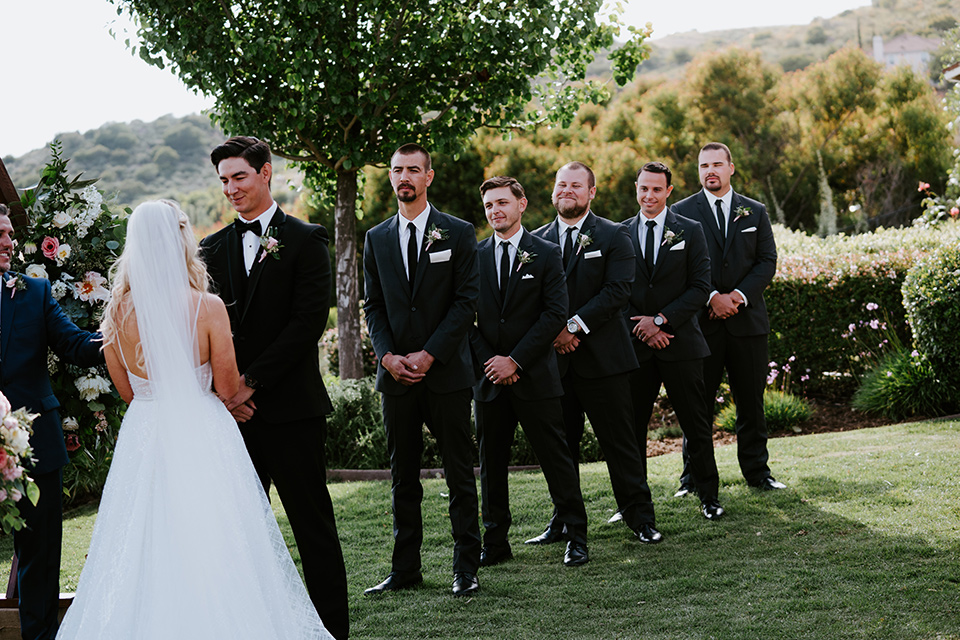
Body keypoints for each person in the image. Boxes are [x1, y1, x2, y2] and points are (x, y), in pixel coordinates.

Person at [56, 201, 333, 639]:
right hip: (204, 435)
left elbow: (128, 392)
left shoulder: (116, 314)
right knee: (216, 539)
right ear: (179, 239)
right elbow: (225, 388)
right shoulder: (206, 307)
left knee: (143, 544)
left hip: (144, 436)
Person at [199, 137, 348, 638]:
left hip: (292, 412)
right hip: (232, 420)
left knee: (313, 530)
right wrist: (226, 392)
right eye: (223, 180)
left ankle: (332, 630)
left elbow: (307, 324)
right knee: (242, 534)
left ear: (266, 173)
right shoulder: (210, 248)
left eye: (239, 176)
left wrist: (250, 382)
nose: (231, 188)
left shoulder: (307, 239)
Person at [362, 143, 482, 597]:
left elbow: (466, 302)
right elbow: (374, 306)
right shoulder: (376, 238)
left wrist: (430, 354)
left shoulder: (458, 231)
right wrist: (387, 356)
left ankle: (466, 568)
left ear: (428, 177)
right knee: (402, 477)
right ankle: (405, 569)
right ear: (390, 177)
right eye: (397, 170)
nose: (404, 177)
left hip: (446, 372)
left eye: (413, 169)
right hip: (395, 377)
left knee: (458, 473)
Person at [528, 162, 662, 545]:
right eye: (561, 184)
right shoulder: (536, 241)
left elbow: (618, 291)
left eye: (575, 185)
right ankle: (563, 521)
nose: (567, 190)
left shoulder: (615, 235)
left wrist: (572, 327)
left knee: (620, 444)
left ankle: (640, 518)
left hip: (604, 360)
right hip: (555, 364)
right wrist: (555, 332)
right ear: (553, 192)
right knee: (560, 450)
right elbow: (531, 301)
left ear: (591, 193)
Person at [470, 176, 589, 568]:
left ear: (521, 205)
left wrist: (515, 361)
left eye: (502, 202)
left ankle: (575, 535)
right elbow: (465, 319)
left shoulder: (547, 252)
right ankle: (495, 541)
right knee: (491, 465)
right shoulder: (475, 255)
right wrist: (493, 363)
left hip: (534, 375)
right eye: (489, 206)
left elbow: (555, 313)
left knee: (556, 459)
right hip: (490, 380)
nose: (495, 211)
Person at [0, 204, 103, 640]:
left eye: (7, 233)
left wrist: (125, 333)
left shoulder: (33, 291)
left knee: (40, 555)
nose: (8, 242)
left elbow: (75, 344)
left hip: (35, 442)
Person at [671, 142, 783, 493]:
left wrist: (736, 297)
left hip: (747, 322)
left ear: (731, 168)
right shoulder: (680, 213)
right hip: (700, 327)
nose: (711, 171)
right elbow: (677, 268)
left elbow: (767, 261)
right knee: (696, 408)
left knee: (751, 403)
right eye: (704, 166)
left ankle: (758, 473)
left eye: (717, 164)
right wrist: (711, 298)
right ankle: (693, 478)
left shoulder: (755, 210)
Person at [622, 162, 725, 521]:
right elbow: (615, 291)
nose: (649, 196)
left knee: (696, 423)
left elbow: (700, 286)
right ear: (636, 189)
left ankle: (709, 497)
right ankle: (632, 503)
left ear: (669, 192)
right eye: (643, 189)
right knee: (631, 429)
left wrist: (662, 321)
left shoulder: (691, 230)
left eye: (656, 189)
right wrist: (644, 327)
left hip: (680, 343)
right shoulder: (619, 233)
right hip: (635, 348)